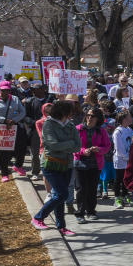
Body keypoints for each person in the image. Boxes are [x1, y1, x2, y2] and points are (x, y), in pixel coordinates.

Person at [31, 100, 80, 235]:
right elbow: (52, 144)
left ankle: (61, 226)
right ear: (63, 112)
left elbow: (77, 146)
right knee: (62, 194)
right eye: (70, 111)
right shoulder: (48, 124)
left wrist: (65, 145)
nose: (72, 114)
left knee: (60, 196)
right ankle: (38, 217)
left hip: (67, 164)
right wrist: (69, 143)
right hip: (50, 164)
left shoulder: (70, 125)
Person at [73, 107, 112, 223]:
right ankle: (80, 213)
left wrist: (98, 149)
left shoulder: (101, 131)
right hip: (80, 163)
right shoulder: (78, 129)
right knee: (81, 189)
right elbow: (73, 146)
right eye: (88, 115)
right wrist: (82, 151)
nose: (90, 118)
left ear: (98, 119)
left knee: (92, 189)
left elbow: (107, 146)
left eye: (93, 116)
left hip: (95, 164)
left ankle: (91, 211)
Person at [0, 80, 26, 183]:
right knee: (2, 152)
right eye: (3, 90)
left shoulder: (15, 99)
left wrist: (14, 120)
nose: (5, 92)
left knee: (20, 147)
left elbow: (22, 112)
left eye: (7, 90)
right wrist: (3, 120)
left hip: (13, 126)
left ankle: (18, 165)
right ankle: (4, 173)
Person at [111, 109, 133, 208]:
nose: (131, 118)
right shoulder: (117, 132)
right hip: (120, 160)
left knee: (126, 178)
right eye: (129, 117)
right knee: (119, 179)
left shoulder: (129, 129)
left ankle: (124, 195)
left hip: (128, 159)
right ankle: (117, 198)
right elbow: (119, 149)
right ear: (124, 119)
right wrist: (127, 157)